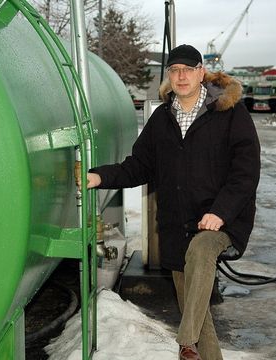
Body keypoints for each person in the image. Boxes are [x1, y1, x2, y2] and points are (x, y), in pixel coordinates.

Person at [85, 44, 260, 360]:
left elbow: (246, 172)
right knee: (196, 308)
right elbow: (138, 165)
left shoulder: (230, 113)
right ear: (169, 76)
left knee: (201, 249)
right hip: (177, 224)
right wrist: (99, 177)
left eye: (188, 70)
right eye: (174, 70)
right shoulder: (162, 119)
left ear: (201, 73)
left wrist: (219, 212)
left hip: (222, 219)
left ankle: (185, 339)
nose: (181, 76)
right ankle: (195, 346)